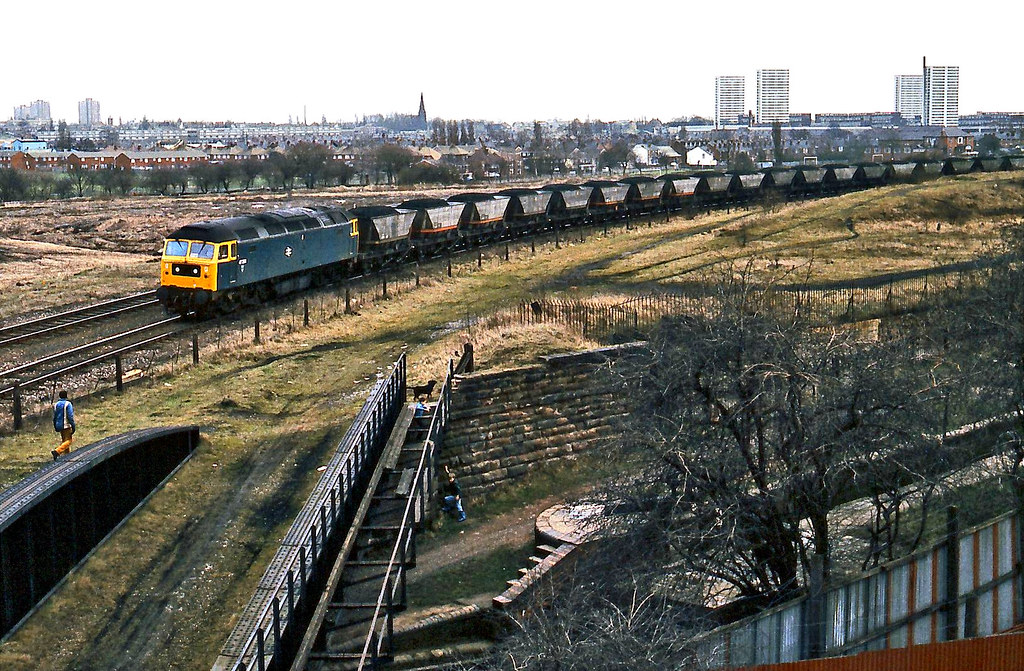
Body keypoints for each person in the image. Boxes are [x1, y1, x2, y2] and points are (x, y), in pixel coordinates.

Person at [52, 390, 75, 461]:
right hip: (66, 425)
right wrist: (73, 426)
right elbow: (70, 416)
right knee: (69, 441)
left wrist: (55, 425)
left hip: (59, 425)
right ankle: (57, 451)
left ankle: (67, 457)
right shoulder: (68, 404)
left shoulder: (56, 404)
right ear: (66, 396)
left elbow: (54, 417)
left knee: (64, 442)